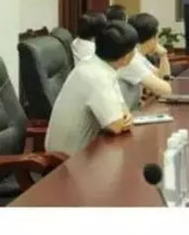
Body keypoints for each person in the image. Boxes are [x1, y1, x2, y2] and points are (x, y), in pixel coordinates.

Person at [45, 21, 136, 155]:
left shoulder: (95, 63)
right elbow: (116, 126)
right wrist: (124, 119)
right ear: (127, 57)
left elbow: (122, 108)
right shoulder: (97, 76)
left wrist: (126, 117)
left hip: (87, 150)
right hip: (68, 160)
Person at [118, 12, 172, 109]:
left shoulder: (137, 55)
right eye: (157, 36)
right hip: (125, 115)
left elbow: (160, 77)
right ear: (153, 38)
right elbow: (165, 91)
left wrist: (163, 56)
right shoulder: (131, 60)